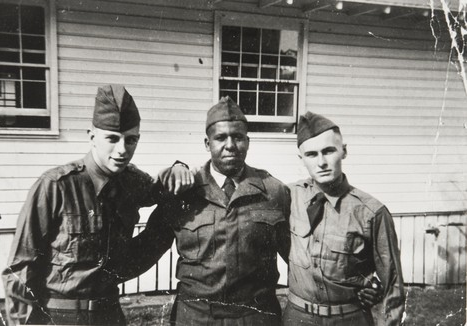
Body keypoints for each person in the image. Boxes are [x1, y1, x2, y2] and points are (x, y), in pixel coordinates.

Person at [2, 84, 194, 326]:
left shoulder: (131, 181)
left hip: (110, 314)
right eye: (112, 139)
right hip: (59, 315)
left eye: (131, 140)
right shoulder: (55, 186)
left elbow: (165, 190)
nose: (122, 150)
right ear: (92, 137)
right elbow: (19, 268)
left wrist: (179, 167)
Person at [148, 96, 291, 325]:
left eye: (237, 137)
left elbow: (297, 256)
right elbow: (145, 250)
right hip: (196, 317)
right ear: (207, 144)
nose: (230, 145)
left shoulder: (273, 191)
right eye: (221, 138)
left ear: (248, 141)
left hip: (255, 317)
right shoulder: (183, 192)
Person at [283, 111, 405, 326]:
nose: (321, 162)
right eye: (311, 154)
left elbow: (392, 286)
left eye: (329, 151)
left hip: (349, 318)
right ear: (301, 159)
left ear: (344, 151)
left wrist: (370, 286)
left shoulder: (371, 212)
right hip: (297, 318)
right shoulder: (287, 197)